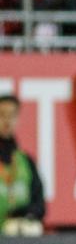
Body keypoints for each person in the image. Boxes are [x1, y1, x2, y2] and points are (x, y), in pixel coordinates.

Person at [0, 95, 46, 236]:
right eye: (2, 115)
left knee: (32, 229)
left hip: (20, 229)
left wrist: (27, 213)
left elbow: (40, 204)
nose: (7, 121)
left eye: (12, 115)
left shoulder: (25, 161)